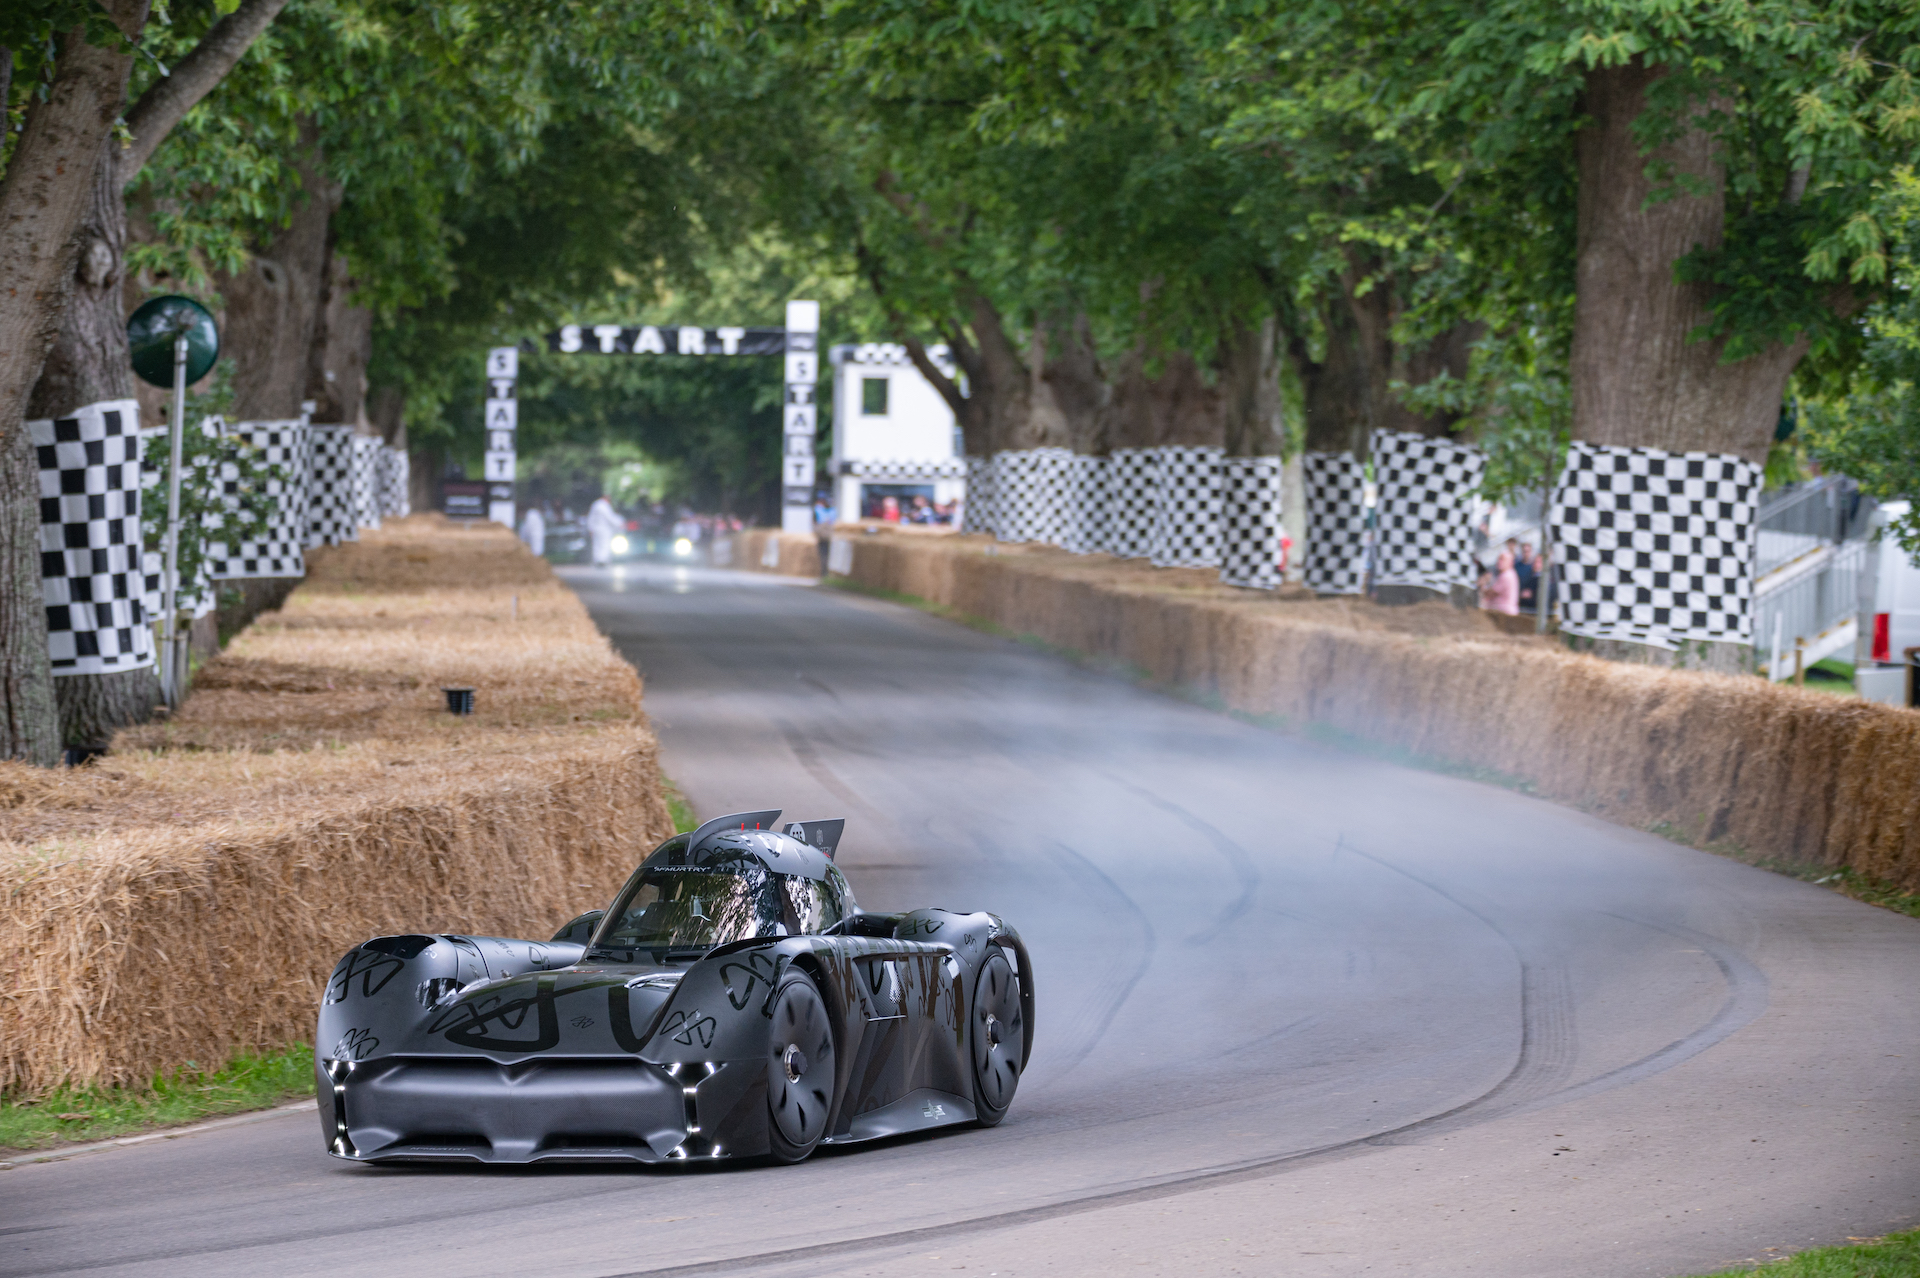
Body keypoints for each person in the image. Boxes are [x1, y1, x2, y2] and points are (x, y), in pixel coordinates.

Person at [586, 495, 622, 566]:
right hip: (604, 529)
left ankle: (597, 560)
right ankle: (602, 560)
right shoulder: (604, 506)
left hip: (595, 528)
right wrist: (619, 524)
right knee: (605, 544)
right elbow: (610, 517)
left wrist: (590, 528)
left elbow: (591, 517)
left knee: (597, 545)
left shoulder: (595, 504)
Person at [1488, 550, 1520, 615]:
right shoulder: (1508, 574)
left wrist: (1483, 586)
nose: (1499, 562)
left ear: (1510, 562)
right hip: (1502, 612)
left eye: (1502, 559)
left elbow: (1492, 593)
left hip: (1504, 613)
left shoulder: (1507, 575)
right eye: (1499, 559)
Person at [1514, 539, 1538, 612]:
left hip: (1530, 601)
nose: (1526, 553)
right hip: (1518, 598)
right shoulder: (1517, 566)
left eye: (1528, 551)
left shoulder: (1534, 567)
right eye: (1524, 551)